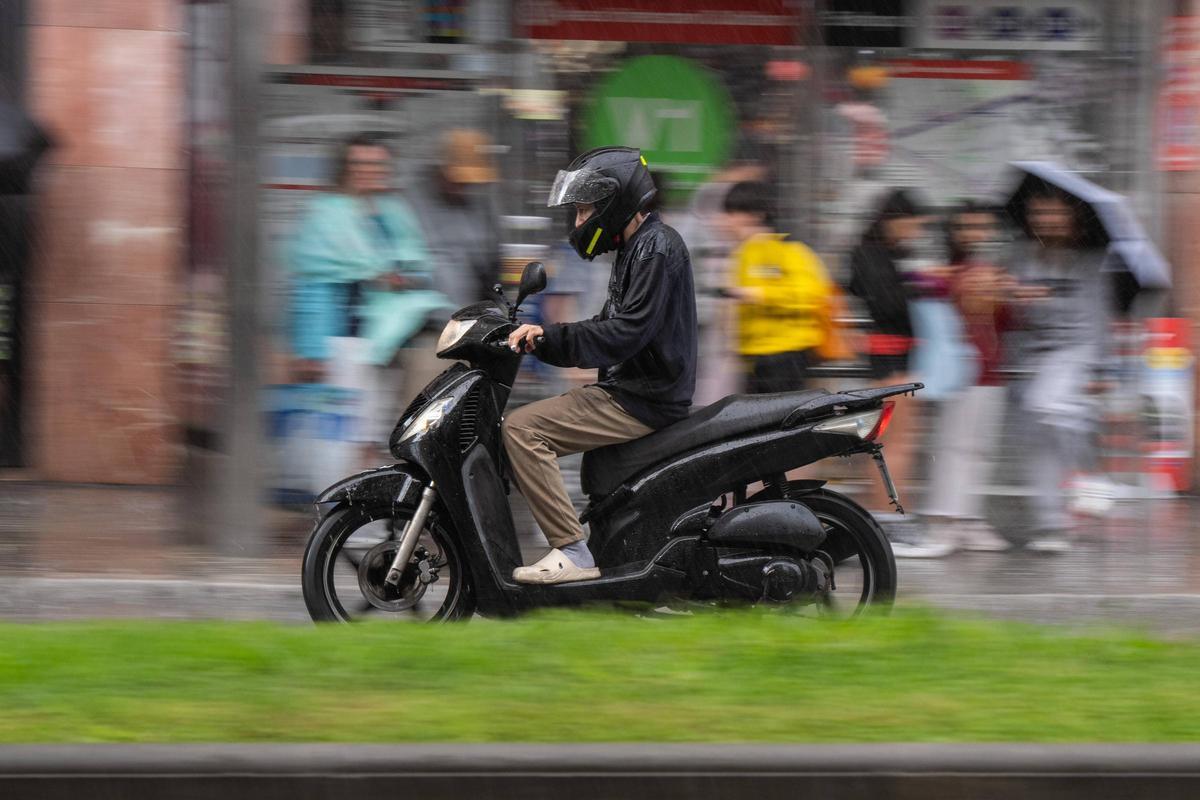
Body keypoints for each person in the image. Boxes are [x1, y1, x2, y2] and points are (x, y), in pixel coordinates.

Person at [502, 147, 698, 584]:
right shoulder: (639, 246)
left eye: (584, 210)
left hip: (641, 397)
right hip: (635, 389)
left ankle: (572, 550)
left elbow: (626, 333)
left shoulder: (656, 249)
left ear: (617, 201)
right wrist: (549, 336)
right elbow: (616, 325)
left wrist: (551, 338)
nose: (579, 223)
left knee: (522, 429)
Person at [287, 133, 448, 460]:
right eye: (359, 163)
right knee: (353, 431)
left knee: (399, 420)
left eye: (376, 163)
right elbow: (313, 283)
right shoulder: (326, 215)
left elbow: (421, 266)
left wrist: (401, 278)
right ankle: (350, 501)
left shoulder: (393, 211)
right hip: (349, 337)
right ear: (344, 167)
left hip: (399, 333)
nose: (368, 170)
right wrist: (310, 349)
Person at [893, 202, 1015, 557]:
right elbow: (917, 293)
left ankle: (967, 519)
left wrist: (1005, 295)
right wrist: (953, 284)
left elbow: (1008, 321)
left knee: (980, 449)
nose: (975, 234)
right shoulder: (941, 275)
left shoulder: (995, 273)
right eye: (967, 227)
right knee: (952, 447)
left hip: (992, 372)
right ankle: (941, 524)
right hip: (961, 372)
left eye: (982, 227)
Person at [1007, 181, 1113, 553]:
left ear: (1070, 217)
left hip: (1075, 351)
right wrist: (1017, 297)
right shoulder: (1021, 257)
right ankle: (1051, 524)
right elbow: (1008, 309)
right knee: (1039, 441)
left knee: (1049, 406)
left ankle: (1090, 474)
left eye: (1054, 212)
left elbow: (1098, 316)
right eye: (1039, 212)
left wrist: (1101, 368)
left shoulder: (1089, 261)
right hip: (1031, 356)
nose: (1047, 220)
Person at [845, 189, 929, 515]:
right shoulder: (874, 256)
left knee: (893, 442)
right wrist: (917, 288)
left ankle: (886, 513)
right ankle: (890, 515)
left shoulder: (874, 253)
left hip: (888, 356)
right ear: (894, 221)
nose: (915, 233)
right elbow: (889, 304)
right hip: (891, 358)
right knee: (897, 443)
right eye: (912, 225)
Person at [721, 181, 834, 393]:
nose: (725, 222)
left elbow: (810, 295)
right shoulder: (742, 254)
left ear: (753, 215)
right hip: (755, 360)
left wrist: (761, 294)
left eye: (731, 213)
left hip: (786, 356)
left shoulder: (788, 249)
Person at [409, 128, 502, 307]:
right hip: (424, 313)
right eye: (458, 181)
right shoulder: (414, 203)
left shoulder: (480, 207)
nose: (464, 187)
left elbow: (491, 265)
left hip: (469, 313)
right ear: (442, 170)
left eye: (468, 183)